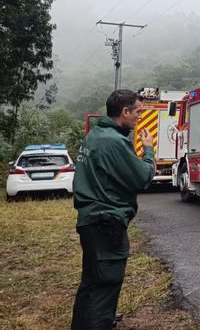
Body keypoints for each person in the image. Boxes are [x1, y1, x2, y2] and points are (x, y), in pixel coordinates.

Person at [72, 90, 156, 329]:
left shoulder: (96, 135)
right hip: (106, 222)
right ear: (125, 112)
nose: (140, 116)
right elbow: (142, 178)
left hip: (90, 221)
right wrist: (148, 150)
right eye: (138, 111)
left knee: (90, 283)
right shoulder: (114, 142)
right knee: (105, 287)